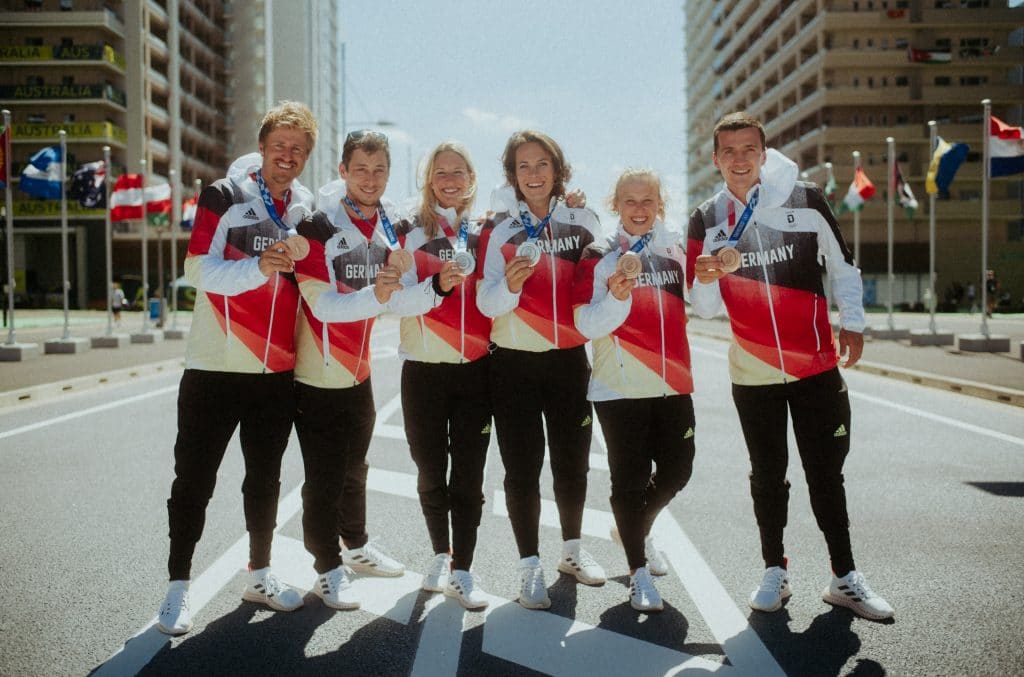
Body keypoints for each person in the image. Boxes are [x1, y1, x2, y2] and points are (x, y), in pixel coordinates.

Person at [687, 111, 894, 621]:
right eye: (728, 151)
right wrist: (708, 275)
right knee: (767, 475)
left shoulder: (805, 198)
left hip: (816, 365)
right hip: (752, 371)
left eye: (748, 149)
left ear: (763, 152)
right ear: (715, 160)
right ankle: (773, 570)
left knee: (826, 472)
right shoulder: (704, 219)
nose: (739, 160)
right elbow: (706, 308)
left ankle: (844, 576)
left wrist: (855, 323)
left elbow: (844, 266)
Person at [157, 101, 318, 635]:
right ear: (263, 146)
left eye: (298, 149)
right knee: (194, 479)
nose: (287, 156)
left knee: (265, 481)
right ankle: (178, 586)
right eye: (280, 146)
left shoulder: (307, 209)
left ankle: (261, 572)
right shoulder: (223, 196)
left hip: (275, 371)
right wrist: (258, 266)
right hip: (215, 364)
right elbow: (197, 269)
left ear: (306, 156)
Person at [478, 130, 606, 610]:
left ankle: (571, 551)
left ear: (558, 170)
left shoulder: (583, 219)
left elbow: (600, 281)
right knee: (522, 469)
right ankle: (528, 565)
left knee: (573, 464)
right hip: (511, 365)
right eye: (523, 166)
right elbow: (485, 300)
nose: (533, 174)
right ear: (512, 176)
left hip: (569, 361)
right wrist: (509, 288)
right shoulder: (499, 230)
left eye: (542, 164)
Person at [290, 129, 406, 611]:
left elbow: (401, 292)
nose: (370, 178)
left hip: (358, 374)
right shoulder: (318, 226)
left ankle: (355, 546)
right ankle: (326, 568)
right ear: (342, 171)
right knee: (324, 477)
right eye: (360, 168)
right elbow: (320, 305)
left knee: (356, 468)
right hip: (316, 373)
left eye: (379, 170)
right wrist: (376, 296)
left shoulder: (389, 228)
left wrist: (433, 288)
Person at [574, 169, 696, 612]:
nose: (639, 209)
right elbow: (584, 324)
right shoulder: (599, 255)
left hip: (674, 382)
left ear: (660, 205)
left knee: (678, 471)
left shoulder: (677, 249)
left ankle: (636, 528)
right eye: (629, 201)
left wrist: (713, 273)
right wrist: (616, 297)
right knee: (627, 480)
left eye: (648, 201)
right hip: (618, 387)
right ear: (616, 205)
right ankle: (637, 571)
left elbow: (703, 305)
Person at [386, 141, 493, 610]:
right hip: (424, 371)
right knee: (431, 471)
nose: (449, 179)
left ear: (471, 178)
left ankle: (464, 569)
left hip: (477, 371)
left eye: (458, 171)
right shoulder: (408, 231)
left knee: (469, 476)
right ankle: (439, 552)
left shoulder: (488, 230)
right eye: (440, 171)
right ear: (429, 179)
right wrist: (437, 286)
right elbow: (395, 301)